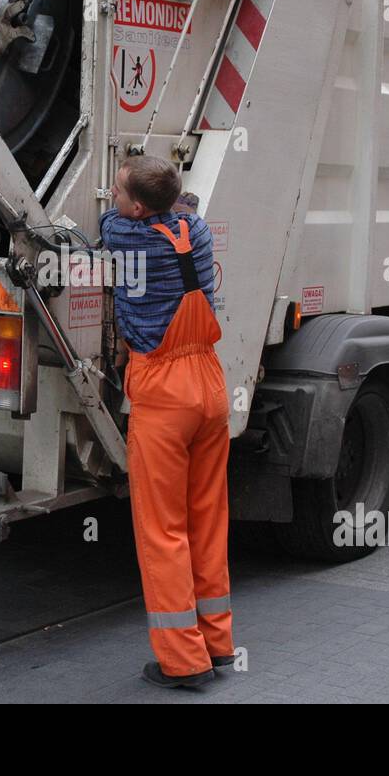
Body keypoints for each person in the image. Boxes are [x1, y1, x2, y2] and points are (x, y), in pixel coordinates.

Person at [100, 155, 233, 688]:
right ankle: (217, 643)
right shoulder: (194, 232)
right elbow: (180, 208)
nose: (109, 199)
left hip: (163, 393)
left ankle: (183, 662)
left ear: (135, 207)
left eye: (115, 191)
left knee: (163, 531)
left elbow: (108, 228)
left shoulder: (125, 237)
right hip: (210, 384)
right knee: (206, 518)